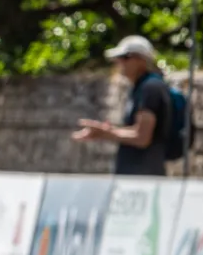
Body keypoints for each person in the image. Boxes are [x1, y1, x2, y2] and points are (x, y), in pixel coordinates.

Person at [72, 35, 172, 176]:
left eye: (125, 57)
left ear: (141, 60)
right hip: (137, 174)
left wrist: (104, 133)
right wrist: (109, 131)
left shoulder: (150, 88)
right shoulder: (140, 87)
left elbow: (142, 137)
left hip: (143, 176)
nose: (118, 62)